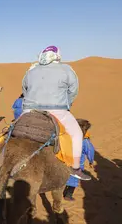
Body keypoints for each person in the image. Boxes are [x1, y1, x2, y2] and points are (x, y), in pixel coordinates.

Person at [22, 45, 91, 181]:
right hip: (57, 109)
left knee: (12, 129)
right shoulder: (66, 69)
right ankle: (75, 168)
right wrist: (67, 104)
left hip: (29, 110)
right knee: (76, 134)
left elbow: (25, 89)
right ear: (58, 56)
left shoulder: (31, 71)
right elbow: (73, 90)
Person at [64, 121, 95, 200]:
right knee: (74, 178)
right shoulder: (85, 141)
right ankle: (68, 195)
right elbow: (90, 151)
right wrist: (91, 161)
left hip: (64, 161)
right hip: (76, 164)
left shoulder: (67, 136)